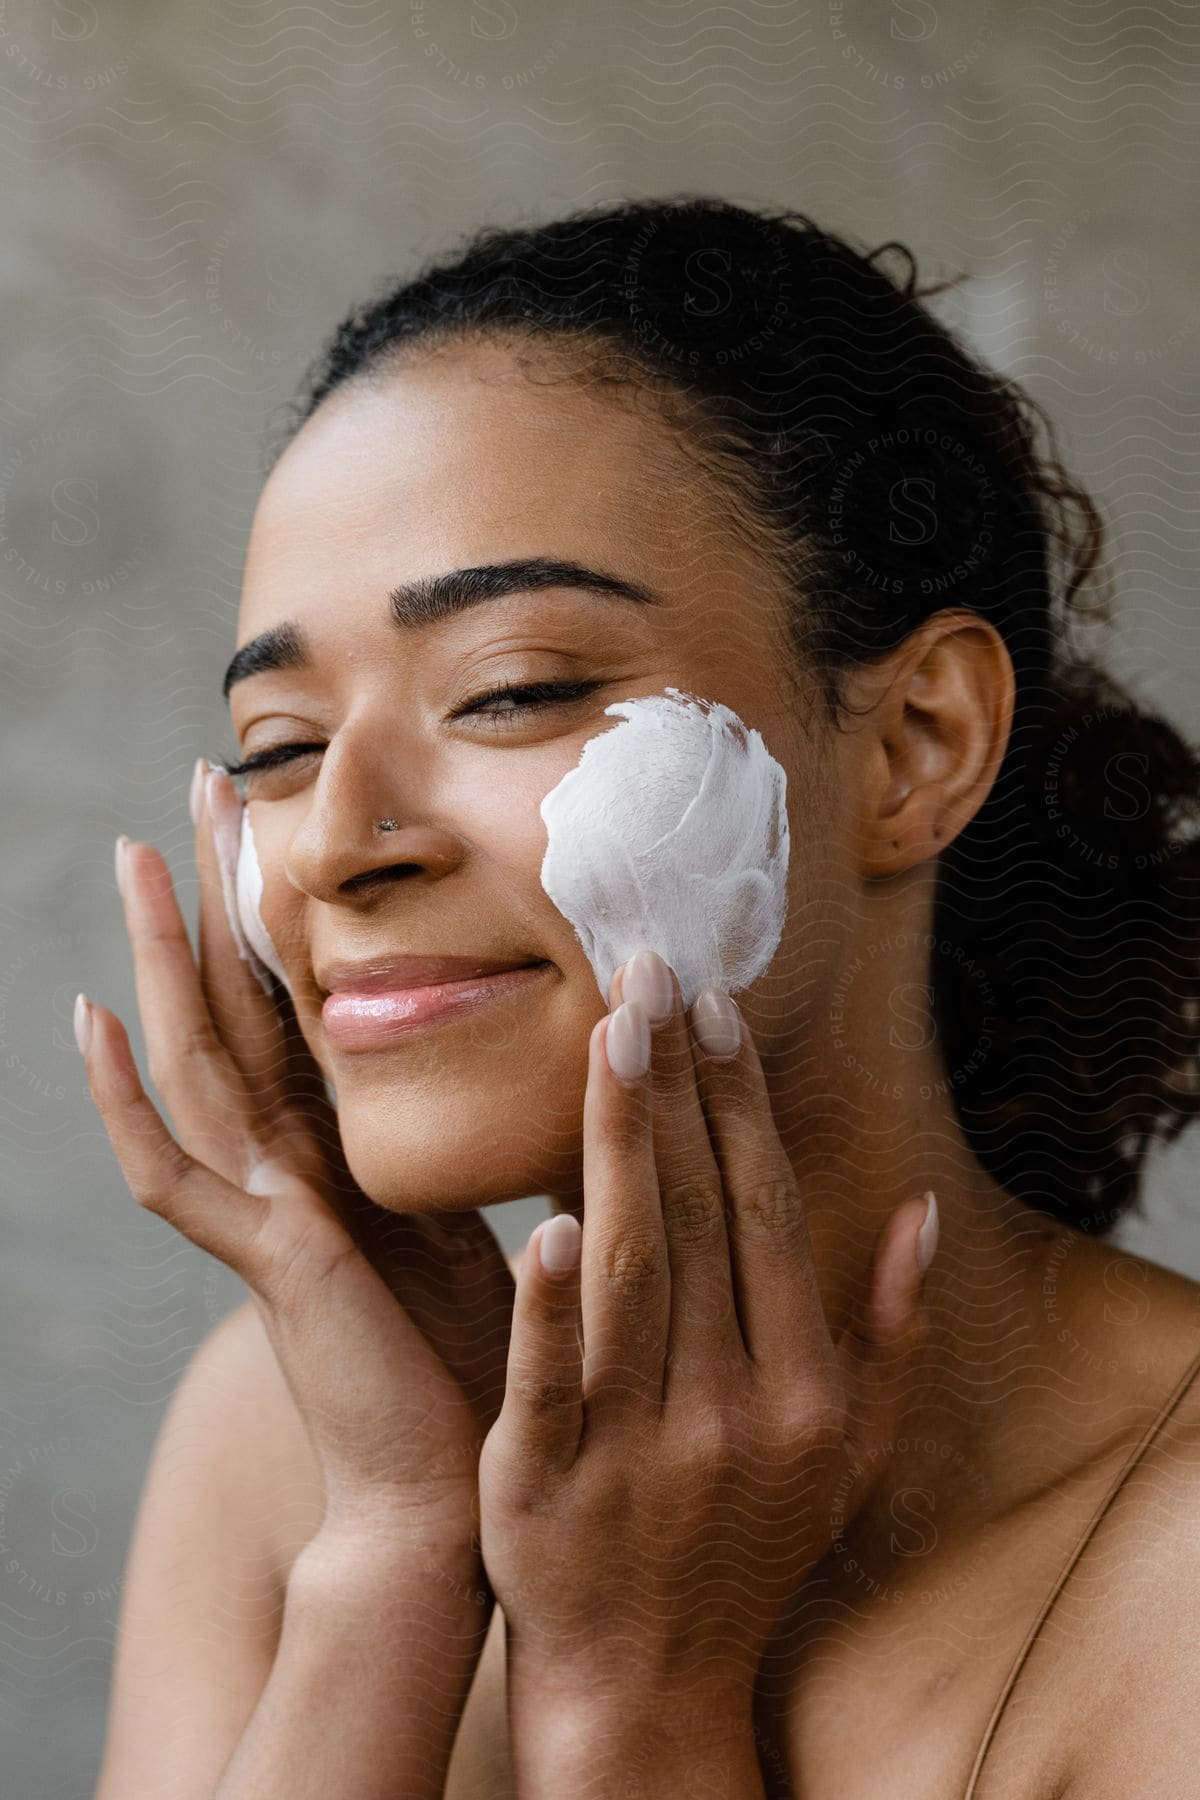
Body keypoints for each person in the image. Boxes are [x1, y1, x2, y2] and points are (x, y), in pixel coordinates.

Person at [81, 198, 1200, 1798]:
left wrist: (638, 1697)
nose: (331, 841)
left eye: (513, 689)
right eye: (274, 747)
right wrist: (400, 1554)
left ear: (915, 745)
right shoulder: (293, 1443)